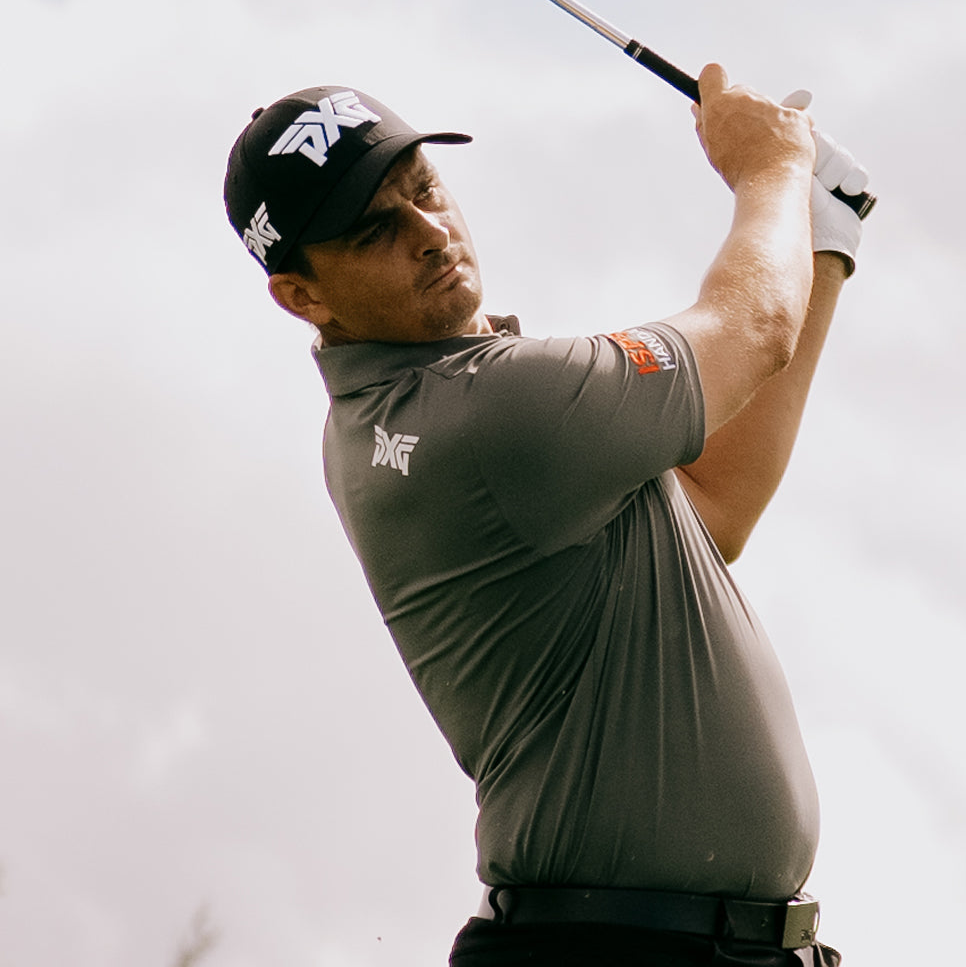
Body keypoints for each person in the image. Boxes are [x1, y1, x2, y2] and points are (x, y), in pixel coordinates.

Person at [223, 64, 870, 967]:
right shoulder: (487, 411)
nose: (429, 233)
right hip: (614, 950)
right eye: (375, 230)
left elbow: (713, 507)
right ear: (303, 295)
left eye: (423, 187)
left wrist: (819, 241)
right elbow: (752, 326)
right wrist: (773, 170)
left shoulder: (412, 411)